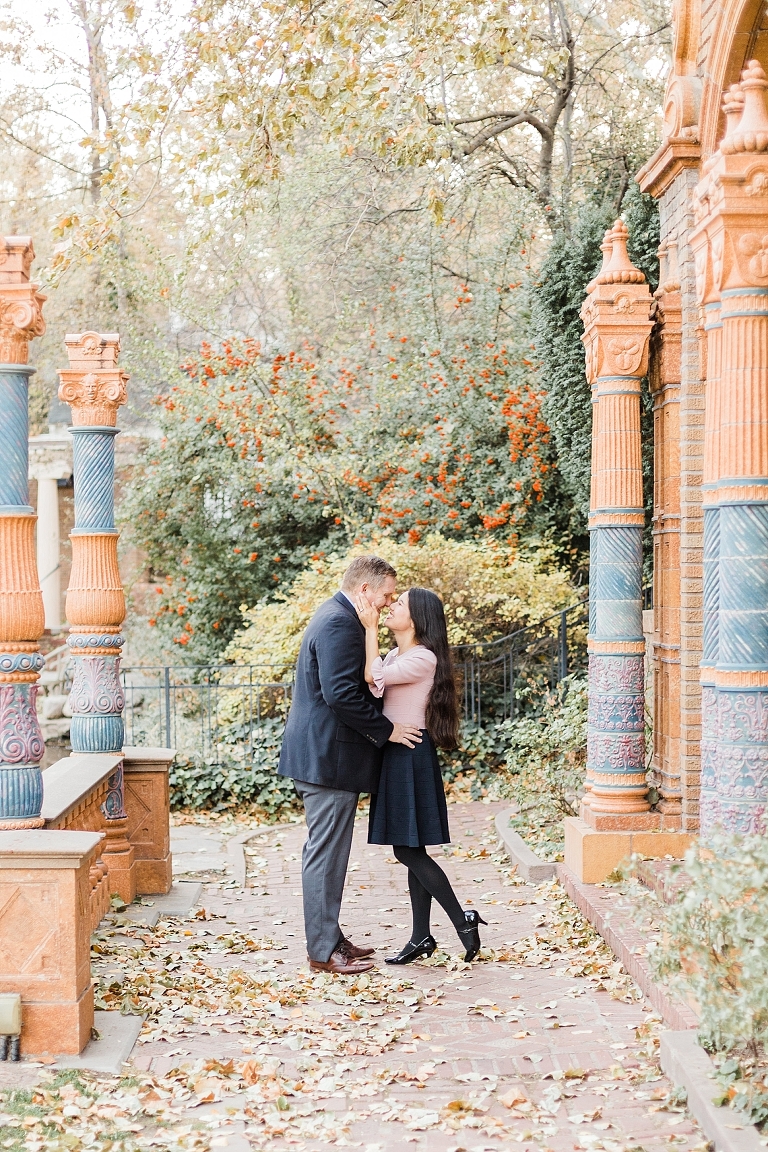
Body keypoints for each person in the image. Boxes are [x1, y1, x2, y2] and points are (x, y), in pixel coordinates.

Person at [278, 556, 423, 975]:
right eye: (387, 595)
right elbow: (341, 694)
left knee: (331, 854)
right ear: (364, 590)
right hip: (328, 760)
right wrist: (387, 730)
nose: (389, 601)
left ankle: (330, 937)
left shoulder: (339, 615)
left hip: (328, 758)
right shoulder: (340, 623)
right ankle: (323, 951)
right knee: (325, 856)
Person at [355, 586, 486, 963]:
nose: (391, 606)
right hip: (397, 753)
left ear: (417, 619)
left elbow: (371, 675)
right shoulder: (401, 654)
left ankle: (462, 920)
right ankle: (421, 937)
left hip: (409, 755)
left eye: (399, 604)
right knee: (412, 847)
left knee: (406, 848)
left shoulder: (423, 658)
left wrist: (369, 627)